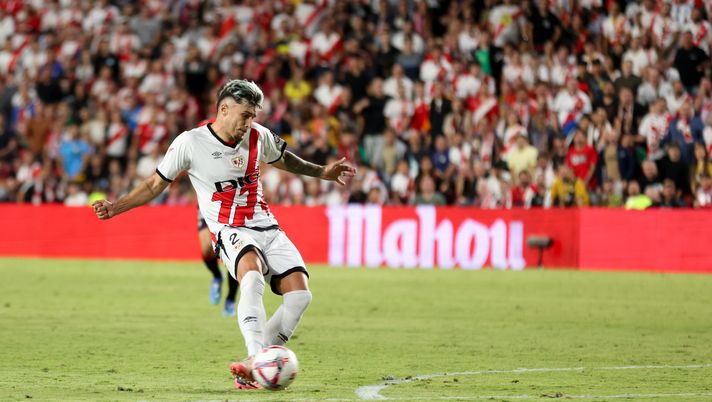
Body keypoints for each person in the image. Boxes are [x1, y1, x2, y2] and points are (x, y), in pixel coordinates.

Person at [92, 80, 356, 390]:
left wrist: (321, 171)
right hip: (229, 230)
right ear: (224, 109)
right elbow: (154, 184)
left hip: (267, 226)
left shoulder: (258, 136)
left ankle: (252, 366)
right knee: (252, 278)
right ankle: (257, 360)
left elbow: (285, 159)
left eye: (253, 116)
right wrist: (116, 207)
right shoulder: (190, 143)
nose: (249, 122)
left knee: (300, 296)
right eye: (245, 115)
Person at [198, 208, 239, 316]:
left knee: (234, 253)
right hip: (208, 202)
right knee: (206, 249)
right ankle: (217, 276)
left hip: (233, 204)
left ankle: (230, 299)